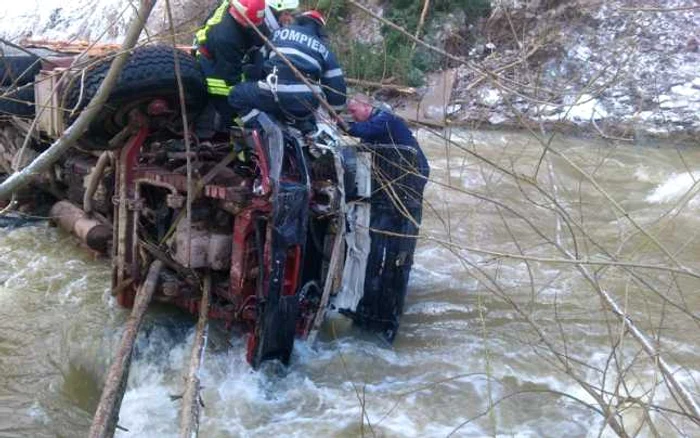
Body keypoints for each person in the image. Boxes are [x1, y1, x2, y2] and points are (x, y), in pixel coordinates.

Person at [344, 94, 430, 342]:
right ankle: (368, 305)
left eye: (354, 110)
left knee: (398, 255)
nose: (353, 115)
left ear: (366, 106)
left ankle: (389, 309)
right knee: (377, 248)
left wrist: (341, 124)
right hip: (389, 190)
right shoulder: (375, 126)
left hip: (410, 184)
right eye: (349, 112)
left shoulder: (385, 119)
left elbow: (361, 130)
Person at [227, 10, 347, 132]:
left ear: (299, 21)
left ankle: (265, 130)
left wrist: (257, 84)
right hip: (307, 100)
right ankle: (304, 132)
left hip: (274, 90)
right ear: (320, 29)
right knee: (304, 117)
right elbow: (336, 86)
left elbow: (259, 64)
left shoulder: (278, 33)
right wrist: (335, 111)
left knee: (236, 96)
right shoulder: (324, 49)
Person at [194, 0, 267, 131]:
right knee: (231, 98)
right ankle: (229, 127)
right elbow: (230, 77)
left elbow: (256, 28)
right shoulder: (226, 39)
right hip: (215, 68)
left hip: (218, 48)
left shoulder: (234, 6)